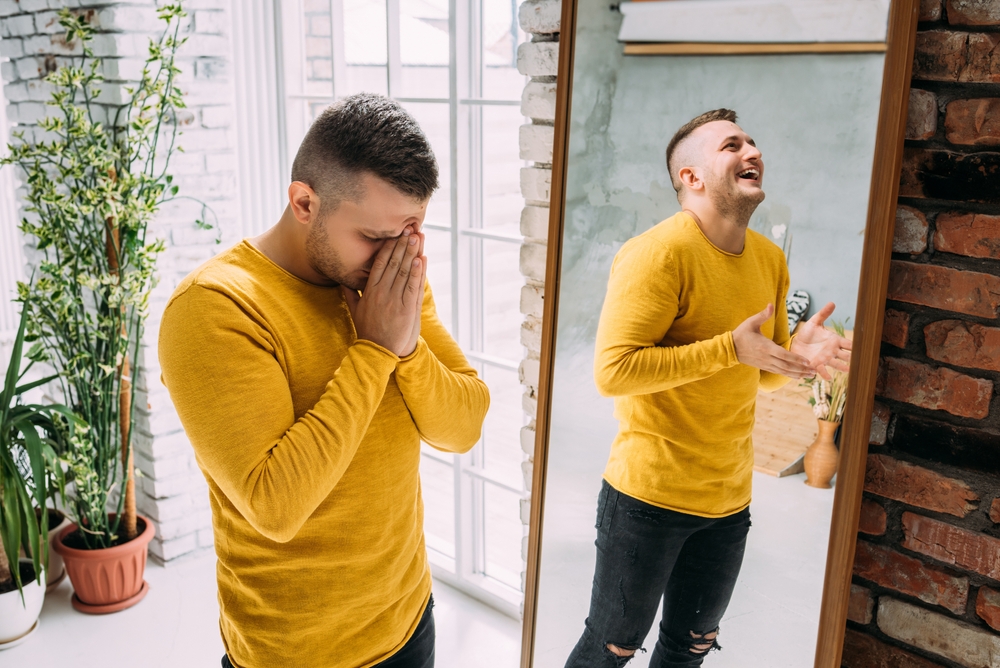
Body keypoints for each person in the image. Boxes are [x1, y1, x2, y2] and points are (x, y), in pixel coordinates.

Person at [159, 93, 490, 668]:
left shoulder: (388, 286)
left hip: (409, 620)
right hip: (297, 653)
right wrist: (372, 352)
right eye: (375, 236)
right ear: (304, 202)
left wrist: (406, 349)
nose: (397, 258)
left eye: (410, 233)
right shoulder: (215, 309)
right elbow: (275, 506)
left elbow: (463, 429)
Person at [565, 109, 851, 667]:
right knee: (609, 649)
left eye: (753, 141)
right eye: (732, 145)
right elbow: (614, 370)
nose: (753, 151)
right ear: (692, 177)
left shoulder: (768, 258)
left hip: (727, 502)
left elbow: (761, 374)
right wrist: (728, 347)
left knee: (687, 651)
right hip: (647, 499)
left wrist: (796, 357)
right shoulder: (658, 253)